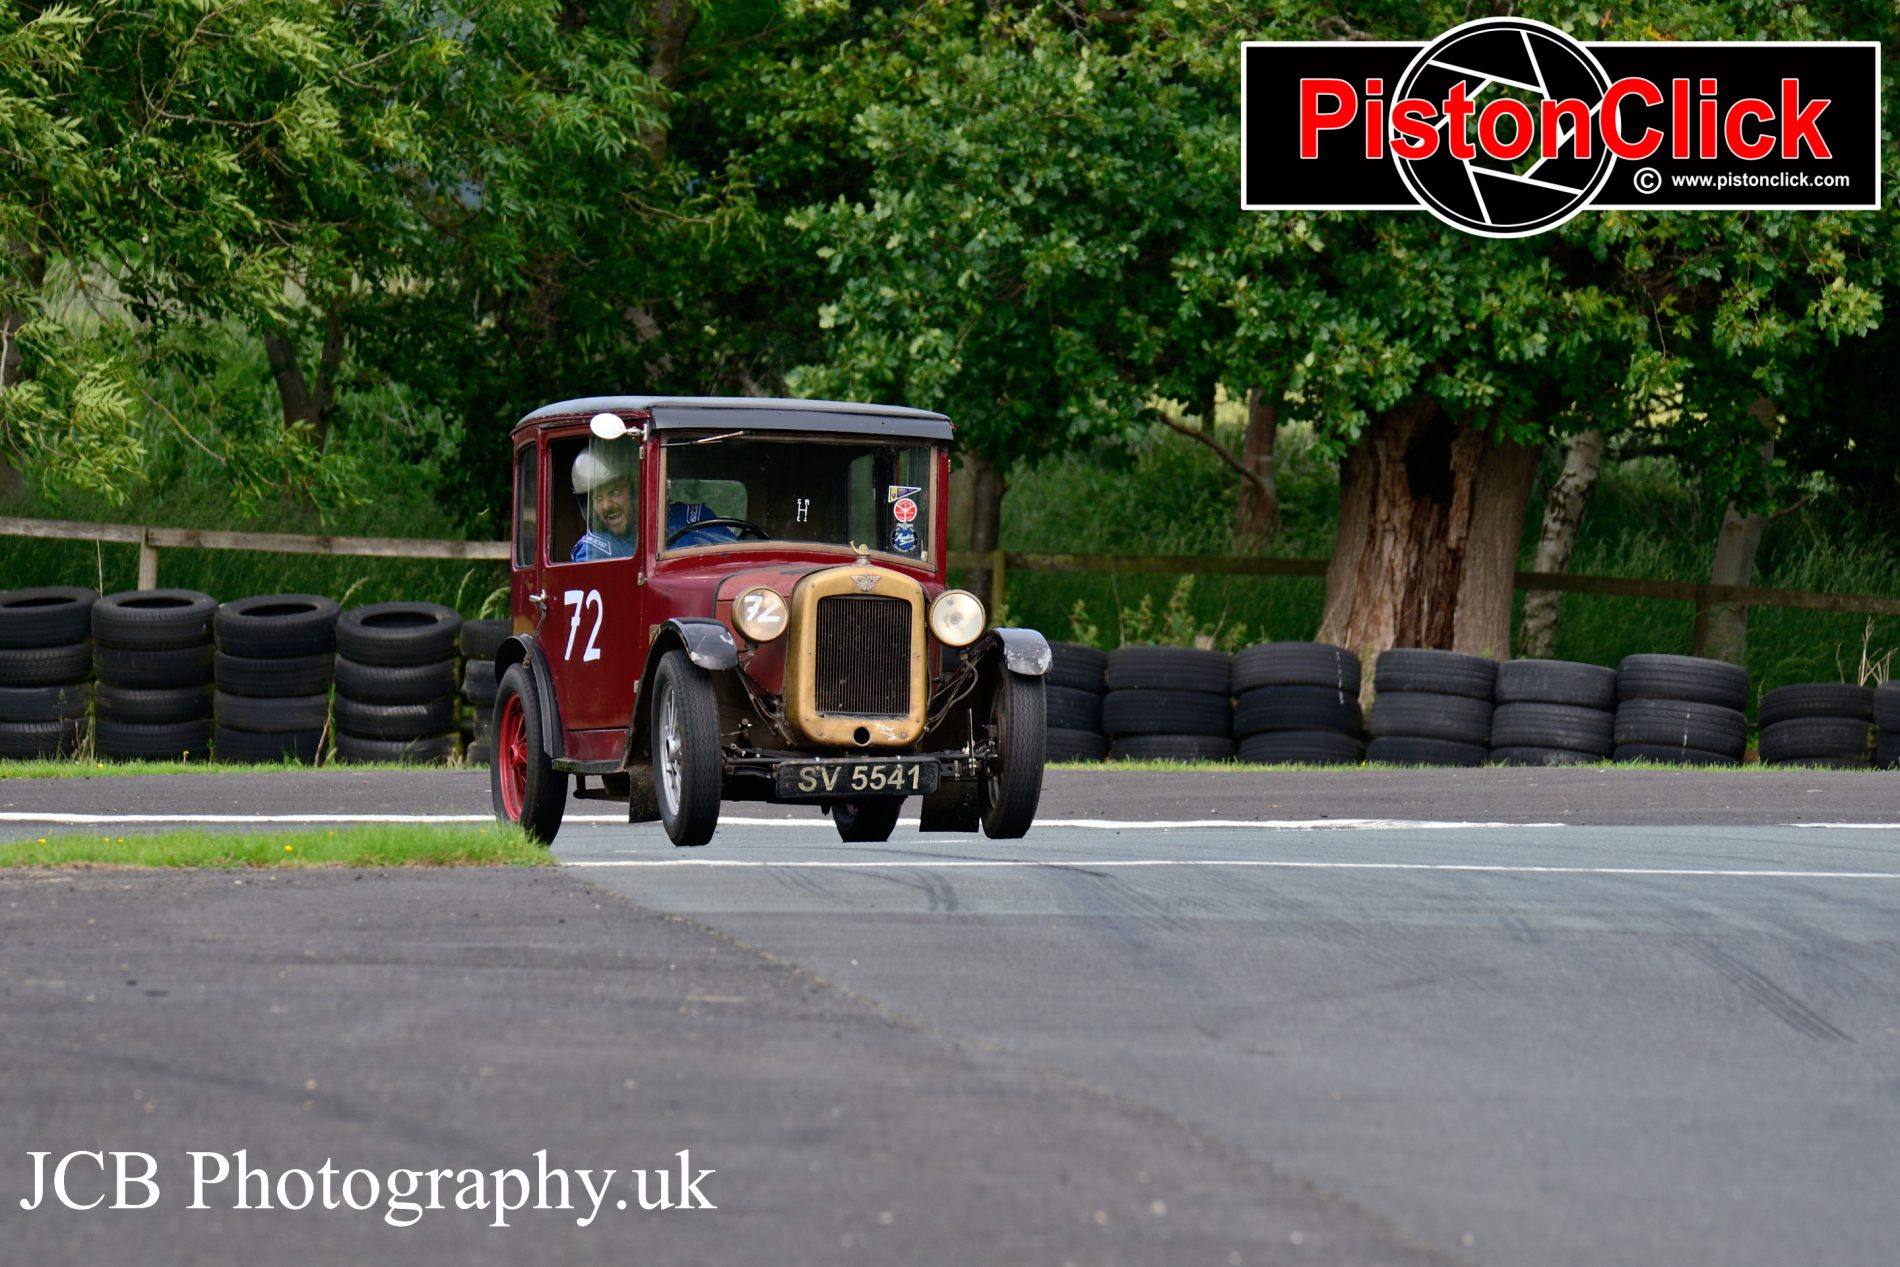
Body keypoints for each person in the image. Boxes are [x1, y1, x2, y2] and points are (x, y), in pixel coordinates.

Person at [570, 445, 637, 561]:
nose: (606, 506)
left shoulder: (674, 523)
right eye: (598, 498)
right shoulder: (592, 550)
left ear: (634, 493)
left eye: (615, 492)